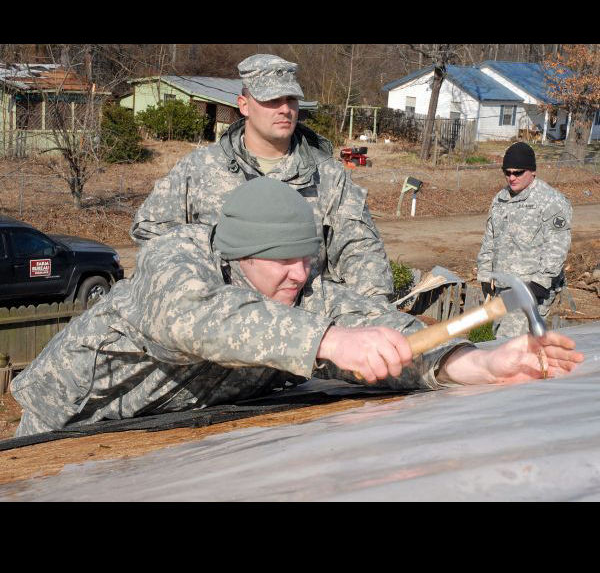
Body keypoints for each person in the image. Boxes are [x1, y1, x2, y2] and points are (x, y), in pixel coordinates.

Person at [12, 178, 583, 437]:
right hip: (62, 428)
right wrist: (328, 342)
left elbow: (379, 328)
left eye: (308, 259)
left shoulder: (299, 289)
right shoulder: (178, 261)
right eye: (283, 261)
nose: (300, 274)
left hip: (160, 438)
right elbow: (192, 318)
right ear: (241, 255)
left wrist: (475, 362)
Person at [130, 53, 394, 303]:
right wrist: (194, 291)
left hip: (304, 323)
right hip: (218, 322)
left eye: (291, 99)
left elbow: (362, 253)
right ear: (244, 105)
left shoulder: (328, 176)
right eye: (272, 100)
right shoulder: (200, 168)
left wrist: (370, 314)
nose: (285, 109)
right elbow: (154, 237)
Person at [477, 142, 572, 340]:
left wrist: (540, 284)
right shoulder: (501, 199)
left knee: (509, 343)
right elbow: (490, 238)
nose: (512, 177)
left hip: (531, 289)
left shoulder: (550, 201)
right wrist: (485, 274)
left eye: (518, 172)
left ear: (532, 171)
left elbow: (557, 246)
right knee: (505, 339)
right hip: (503, 286)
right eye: (507, 172)